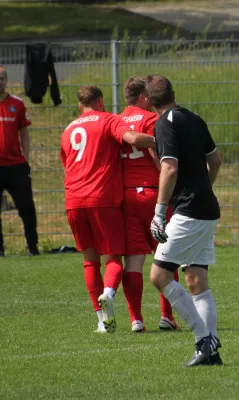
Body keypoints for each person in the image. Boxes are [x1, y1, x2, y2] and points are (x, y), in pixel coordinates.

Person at [60, 85, 155, 333]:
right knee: (113, 257)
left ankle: (101, 322)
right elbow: (132, 139)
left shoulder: (68, 129)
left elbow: (66, 165)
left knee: (89, 262)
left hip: (73, 200)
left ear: (80, 105)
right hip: (103, 198)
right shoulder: (108, 119)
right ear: (101, 101)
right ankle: (109, 294)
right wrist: (163, 140)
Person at [146, 74, 223, 367]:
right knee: (196, 280)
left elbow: (169, 168)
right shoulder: (194, 117)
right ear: (173, 93)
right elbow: (215, 161)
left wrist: (158, 211)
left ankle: (204, 339)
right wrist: (206, 188)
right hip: (207, 209)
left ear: (147, 101)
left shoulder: (164, 123)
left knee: (159, 276)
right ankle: (211, 353)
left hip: (189, 211)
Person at [118, 76, 180, 333]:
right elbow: (160, 157)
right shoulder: (151, 119)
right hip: (154, 194)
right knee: (166, 257)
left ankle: (136, 320)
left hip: (127, 195)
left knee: (133, 260)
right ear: (144, 97)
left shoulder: (117, 120)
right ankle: (167, 316)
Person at [0, 65, 39, 257]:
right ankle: (0, 251)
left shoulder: (17, 103)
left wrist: (25, 157)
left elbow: (24, 131)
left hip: (16, 166)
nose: (0, 82)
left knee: (26, 209)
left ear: (6, 80)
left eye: (2, 78)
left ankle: (33, 248)